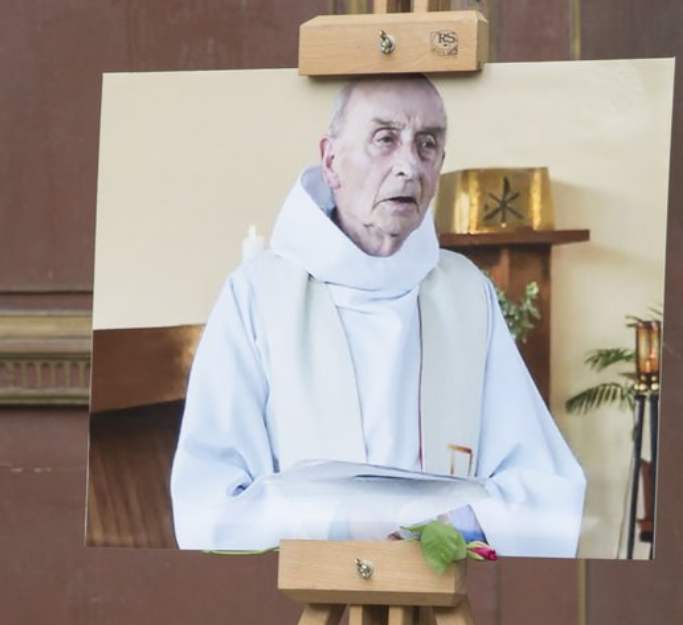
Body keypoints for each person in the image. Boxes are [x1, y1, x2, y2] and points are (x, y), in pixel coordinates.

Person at [170, 75, 585, 557]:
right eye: (385, 139)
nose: (409, 165)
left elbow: (544, 483)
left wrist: (459, 521)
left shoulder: (466, 293)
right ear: (331, 161)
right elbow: (208, 504)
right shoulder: (258, 295)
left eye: (427, 144)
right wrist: (342, 522)